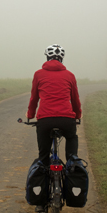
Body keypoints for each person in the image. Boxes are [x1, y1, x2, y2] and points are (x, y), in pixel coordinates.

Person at [27, 43, 82, 178]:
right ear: (61, 59)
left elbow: (34, 98)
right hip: (66, 120)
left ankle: (44, 175)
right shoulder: (70, 75)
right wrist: (78, 116)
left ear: (47, 58)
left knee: (44, 157)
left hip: (45, 120)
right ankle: (72, 162)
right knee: (71, 138)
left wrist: (30, 115)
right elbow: (75, 99)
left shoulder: (38, 74)